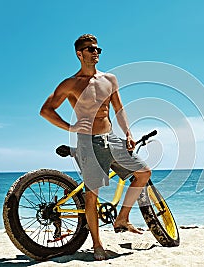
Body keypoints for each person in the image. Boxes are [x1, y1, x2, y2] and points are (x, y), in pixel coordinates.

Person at [40, 34, 151, 261]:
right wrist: (69, 127)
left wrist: (128, 133)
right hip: (88, 142)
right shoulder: (70, 84)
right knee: (92, 196)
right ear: (79, 54)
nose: (96, 52)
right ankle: (98, 245)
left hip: (111, 138)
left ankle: (122, 219)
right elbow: (46, 110)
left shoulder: (110, 79)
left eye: (98, 49)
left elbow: (119, 109)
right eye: (90, 49)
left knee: (143, 173)